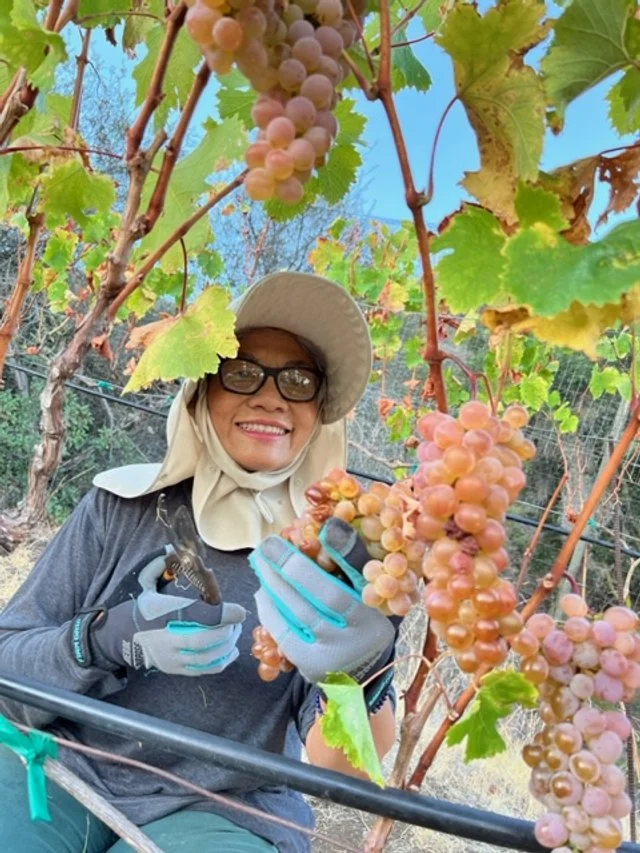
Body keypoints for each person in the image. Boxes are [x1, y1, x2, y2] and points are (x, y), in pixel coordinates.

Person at [0, 271, 399, 853]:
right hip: (62, 769)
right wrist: (101, 640)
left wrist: (359, 675)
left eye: (298, 379)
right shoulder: (118, 508)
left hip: (229, 815)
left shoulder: (343, 552)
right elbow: (8, 677)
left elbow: (344, 774)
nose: (271, 397)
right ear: (200, 393)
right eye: (241, 371)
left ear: (320, 411)